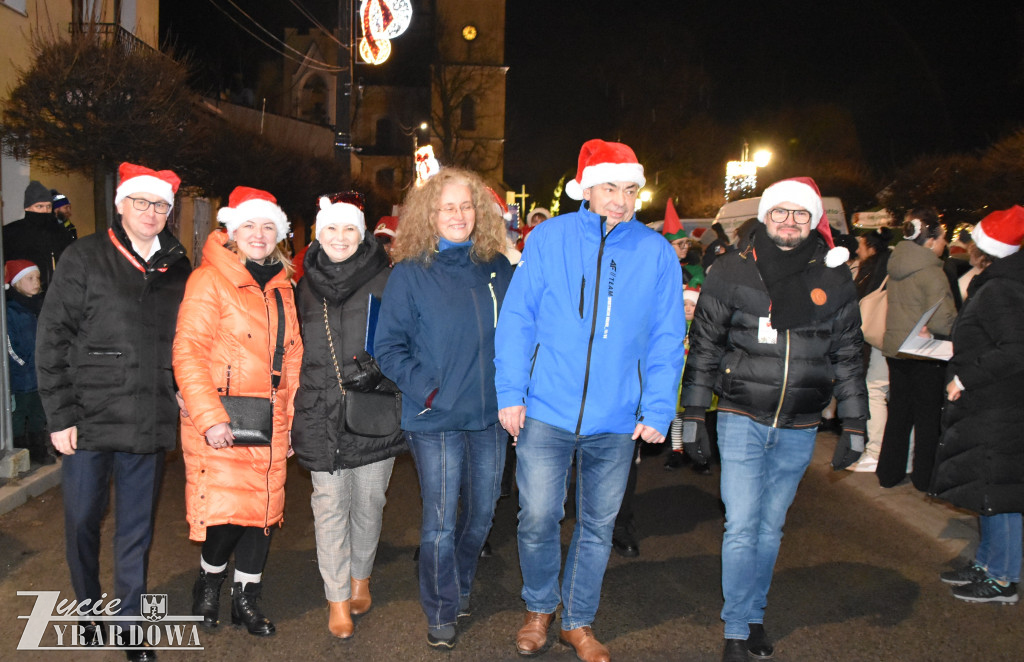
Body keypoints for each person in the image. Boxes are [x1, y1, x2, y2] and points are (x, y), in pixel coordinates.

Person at [495, 139, 683, 662]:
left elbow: (667, 337)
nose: (620, 200)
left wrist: (659, 408)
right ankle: (539, 609)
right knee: (537, 516)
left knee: (597, 526)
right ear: (588, 189)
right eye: (609, 188)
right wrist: (510, 392)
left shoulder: (656, 252)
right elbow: (518, 320)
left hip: (616, 419)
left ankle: (577, 620)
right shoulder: (549, 239)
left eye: (629, 189)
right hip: (546, 413)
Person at [679, 177, 867, 662]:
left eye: (800, 214)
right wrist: (694, 414)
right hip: (742, 413)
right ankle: (737, 628)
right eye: (780, 212)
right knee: (741, 525)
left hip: (801, 422)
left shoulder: (834, 278)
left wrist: (854, 422)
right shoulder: (730, 271)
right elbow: (704, 347)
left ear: (812, 221)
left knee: (770, 527)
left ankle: (755, 614)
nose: (790, 222)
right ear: (764, 217)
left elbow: (848, 355)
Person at [35, 162, 191, 662]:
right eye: (142, 202)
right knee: (82, 518)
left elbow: (187, 341)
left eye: (161, 205)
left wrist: (185, 390)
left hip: (147, 415)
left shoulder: (176, 264)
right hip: (88, 416)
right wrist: (59, 416)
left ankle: (130, 626)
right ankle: (87, 607)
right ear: (121, 204)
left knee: (135, 530)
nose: (151, 213)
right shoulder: (85, 257)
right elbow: (51, 338)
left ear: (169, 211)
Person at [374, 167, 514, 650]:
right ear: (429, 216)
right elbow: (388, 347)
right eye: (446, 207)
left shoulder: (498, 267)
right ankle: (440, 605)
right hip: (434, 418)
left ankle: (461, 578)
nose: (458, 215)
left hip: (490, 417)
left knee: (480, 514)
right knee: (438, 519)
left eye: (466, 205)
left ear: (480, 211)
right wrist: (430, 392)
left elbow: (523, 334)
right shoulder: (411, 273)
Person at [173, 186, 302, 638]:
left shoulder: (283, 285)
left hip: (269, 421)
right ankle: (208, 584)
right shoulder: (209, 280)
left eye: (268, 226)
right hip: (224, 421)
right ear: (232, 230)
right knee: (227, 515)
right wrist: (210, 417)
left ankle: (246, 597)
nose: (260, 234)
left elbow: (292, 359)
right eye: (250, 225)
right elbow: (187, 351)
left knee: (263, 514)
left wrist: (289, 421)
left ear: (279, 233)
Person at [291, 195, 406, 639]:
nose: (340, 238)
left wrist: (387, 371)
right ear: (320, 235)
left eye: (349, 230)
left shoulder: (389, 280)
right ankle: (337, 597)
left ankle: (362, 577)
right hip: (320, 412)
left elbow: (407, 341)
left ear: (362, 236)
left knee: (369, 503)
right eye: (332, 230)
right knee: (329, 508)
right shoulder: (302, 286)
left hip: (374, 407)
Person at [931, 205, 1024, 605]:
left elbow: (1016, 349)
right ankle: (988, 564)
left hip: (999, 406)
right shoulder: (1000, 282)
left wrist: (967, 376)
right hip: (992, 404)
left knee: (999, 493)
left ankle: (1003, 578)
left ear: (985, 248)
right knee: (988, 491)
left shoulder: (1002, 288)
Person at [877, 207, 957, 491]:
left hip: (897, 349)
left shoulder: (897, 262)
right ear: (931, 240)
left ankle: (888, 471)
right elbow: (943, 319)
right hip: (925, 352)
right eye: (943, 238)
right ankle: (925, 477)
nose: (945, 244)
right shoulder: (932, 272)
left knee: (898, 413)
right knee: (927, 417)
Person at [849, 227, 894, 473]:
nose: (857, 250)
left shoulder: (871, 270)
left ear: (870, 246)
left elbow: (857, 301)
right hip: (894, 337)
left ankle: (875, 451)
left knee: (874, 391)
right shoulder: (892, 264)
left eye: (861, 245)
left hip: (875, 339)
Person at [5, 259, 53, 464]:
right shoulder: (10, 311)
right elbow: (9, 344)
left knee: (38, 413)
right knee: (18, 414)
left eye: (38, 278)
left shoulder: (39, 308)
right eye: (30, 278)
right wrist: (23, 363)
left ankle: (38, 450)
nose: (36, 282)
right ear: (16, 283)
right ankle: (19, 451)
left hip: (39, 374)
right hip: (21, 377)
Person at [3, 179, 76, 293]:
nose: (45, 211)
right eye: (39, 206)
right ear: (27, 208)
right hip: (22, 296)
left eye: (48, 206)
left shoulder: (60, 232)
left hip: (56, 294)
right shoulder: (11, 232)